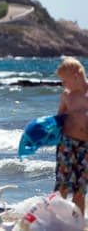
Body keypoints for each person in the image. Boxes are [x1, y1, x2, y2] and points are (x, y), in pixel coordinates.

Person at [55, 56, 88, 214]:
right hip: (67, 144)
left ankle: (77, 222)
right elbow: (57, 120)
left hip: (86, 148)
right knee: (63, 184)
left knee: (80, 189)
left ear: (76, 76)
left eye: (65, 81)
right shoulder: (67, 96)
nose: (63, 85)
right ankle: (57, 220)